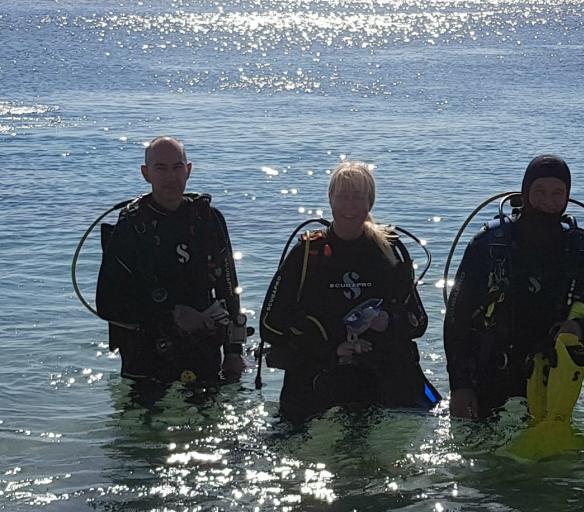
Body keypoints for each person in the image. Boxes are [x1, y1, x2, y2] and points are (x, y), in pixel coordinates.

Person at [444, 154, 584, 419]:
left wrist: (583, 334)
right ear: (525, 192)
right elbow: (456, 321)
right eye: (539, 192)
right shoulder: (490, 246)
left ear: (567, 197)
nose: (547, 202)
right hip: (491, 377)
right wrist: (459, 386)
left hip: (552, 380)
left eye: (557, 193)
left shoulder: (580, 251)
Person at [260, 161, 440, 424]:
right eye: (342, 196)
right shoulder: (308, 254)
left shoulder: (389, 251)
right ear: (330, 199)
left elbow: (418, 322)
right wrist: (333, 348)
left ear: (370, 202)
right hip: (320, 374)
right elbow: (270, 326)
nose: (349, 206)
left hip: (379, 377)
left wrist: (387, 322)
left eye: (357, 197)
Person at [96, 136, 246, 387]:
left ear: (188, 171)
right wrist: (171, 316)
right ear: (146, 173)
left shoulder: (207, 218)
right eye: (161, 168)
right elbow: (107, 305)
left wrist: (234, 351)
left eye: (177, 167)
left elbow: (229, 287)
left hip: (202, 346)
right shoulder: (132, 225)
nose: (170, 177)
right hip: (146, 353)